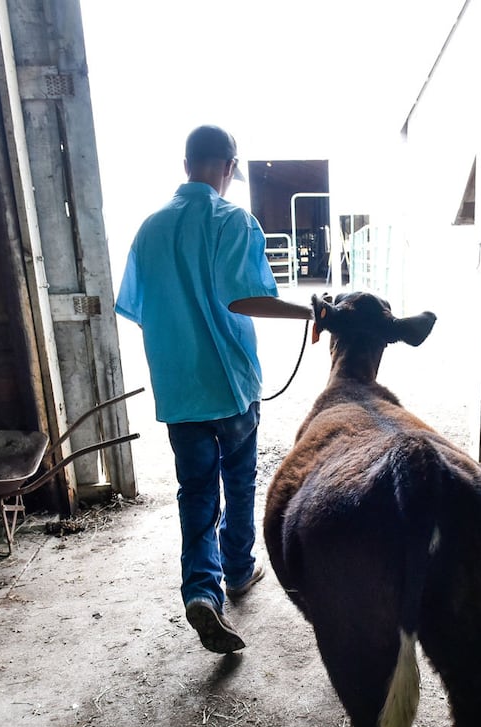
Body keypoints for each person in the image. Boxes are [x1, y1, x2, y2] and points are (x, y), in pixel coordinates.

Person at [115, 125, 312, 654]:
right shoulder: (234, 222)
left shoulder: (149, 229)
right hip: (230, 385)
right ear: (228, 166)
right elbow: (245, 299)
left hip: (180, 391)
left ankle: (202, 590)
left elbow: (137, 309)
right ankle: (239, 570)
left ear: (186, 164)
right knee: (240, 480)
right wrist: (311, 309)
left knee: (197, 491)